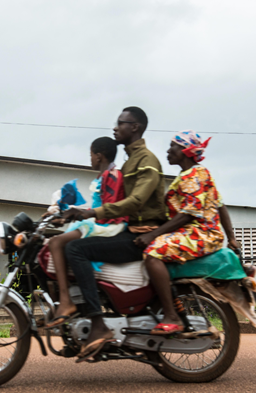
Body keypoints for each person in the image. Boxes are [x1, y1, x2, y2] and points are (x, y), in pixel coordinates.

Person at [62, 106, 167, 360]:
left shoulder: (146, 161)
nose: (115, 127)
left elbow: (136, 202)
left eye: (121, 123)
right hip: (130, 230)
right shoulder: (131, 160)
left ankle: (98, 325)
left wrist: (93, 214)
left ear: (135, 128)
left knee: (75, 249)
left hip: (142, 234)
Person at [134, 130, 240, 335]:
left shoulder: (193, 176)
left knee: (152, 253)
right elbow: (221, 206)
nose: (168, 150)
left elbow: (188, 214)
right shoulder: (198, 173)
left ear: (185, 150)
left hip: (199, 233)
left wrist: (152, 235)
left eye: (172, 146)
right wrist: (231, 238)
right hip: (203, 232)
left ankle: (172, 316)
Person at [45, 137, 127, 329]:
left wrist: (82, 215)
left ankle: (66, 301)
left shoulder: (113, 175)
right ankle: (62, 301)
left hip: (109, 225)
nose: (90, 159)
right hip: (99, 221)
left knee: (56, 243)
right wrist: (69, 214)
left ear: (99, 156)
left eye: (91, 154)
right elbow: (96, 206)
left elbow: (109, 209)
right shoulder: (104, 176)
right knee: (55, 243)